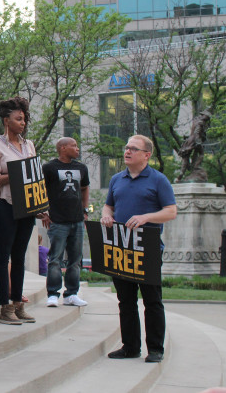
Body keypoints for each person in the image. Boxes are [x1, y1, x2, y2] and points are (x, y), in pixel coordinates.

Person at [102, 135, 177, 363]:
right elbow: (108, 205)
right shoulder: (117, 179)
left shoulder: (158, 180)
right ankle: (130, 347)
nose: (127, 151)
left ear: (146, 155)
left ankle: (155, 349)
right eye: (126, 147)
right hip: (121, 246)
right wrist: (106, 215)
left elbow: (171, 211)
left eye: (133, 149)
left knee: (152, 300)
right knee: (125, 300)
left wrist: (146, 217)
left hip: (148, 247)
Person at [0, 96, 37, 325]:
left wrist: (41, 206)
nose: (22, 123)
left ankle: (17, 303)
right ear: (6, 121)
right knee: (3, 255)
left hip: (27, 205)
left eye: (24, 119)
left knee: (19, 256)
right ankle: (4, 307)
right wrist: (16, 174)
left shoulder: (29, 145)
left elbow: (33, 176)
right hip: (4, 205)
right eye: (18, 119)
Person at [41, 137, 90, 308]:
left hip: (77, 221)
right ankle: (53, 294)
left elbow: (84, 188)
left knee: (75, 260)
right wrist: (44, 213)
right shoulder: (49, 168)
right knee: (55, 259)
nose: (77, 149)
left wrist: (85, 210)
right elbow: (40, 190)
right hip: (57, 221)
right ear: (62, 148)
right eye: (74, 146)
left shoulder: (81, 168)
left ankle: (71, 294)